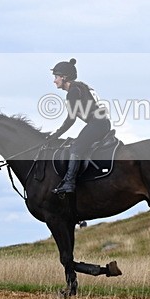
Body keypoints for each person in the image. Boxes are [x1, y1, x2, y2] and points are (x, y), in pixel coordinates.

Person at [48, 58, 110, 196]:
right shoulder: (80, 86)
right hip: (100, 123)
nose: (54, 81)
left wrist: (56, 135)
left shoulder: (74, 91)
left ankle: (69, 182)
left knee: (76, 147)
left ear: (64, 77)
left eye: (56, 77)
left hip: (97, 124)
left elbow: (71, 119)